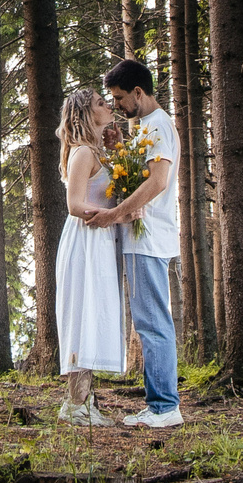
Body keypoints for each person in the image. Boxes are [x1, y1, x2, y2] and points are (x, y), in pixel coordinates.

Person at [102, 58, 184, 427]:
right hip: (143, 237)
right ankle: (159, 405)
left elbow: (158, 181)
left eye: (119, 98)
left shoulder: (157, 124)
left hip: (147, 238)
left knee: (152, 323)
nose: (116, 105)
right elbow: (140, 175)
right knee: (149, 322)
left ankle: (164, 408)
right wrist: (121, 148)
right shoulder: (145, 126)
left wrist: (118, 213)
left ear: (138, 92)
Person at [54, 87, 127, 424]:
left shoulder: (97, 151)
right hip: (84, 240)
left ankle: (85, 401)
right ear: (86, 113)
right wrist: (117, 215)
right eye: (100, 102)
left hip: (99, 239)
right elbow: (74, 205)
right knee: (83, 316)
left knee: (94, 316)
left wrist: (119, 148)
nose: (108, 105)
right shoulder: (82, 153)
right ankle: (76, 405)